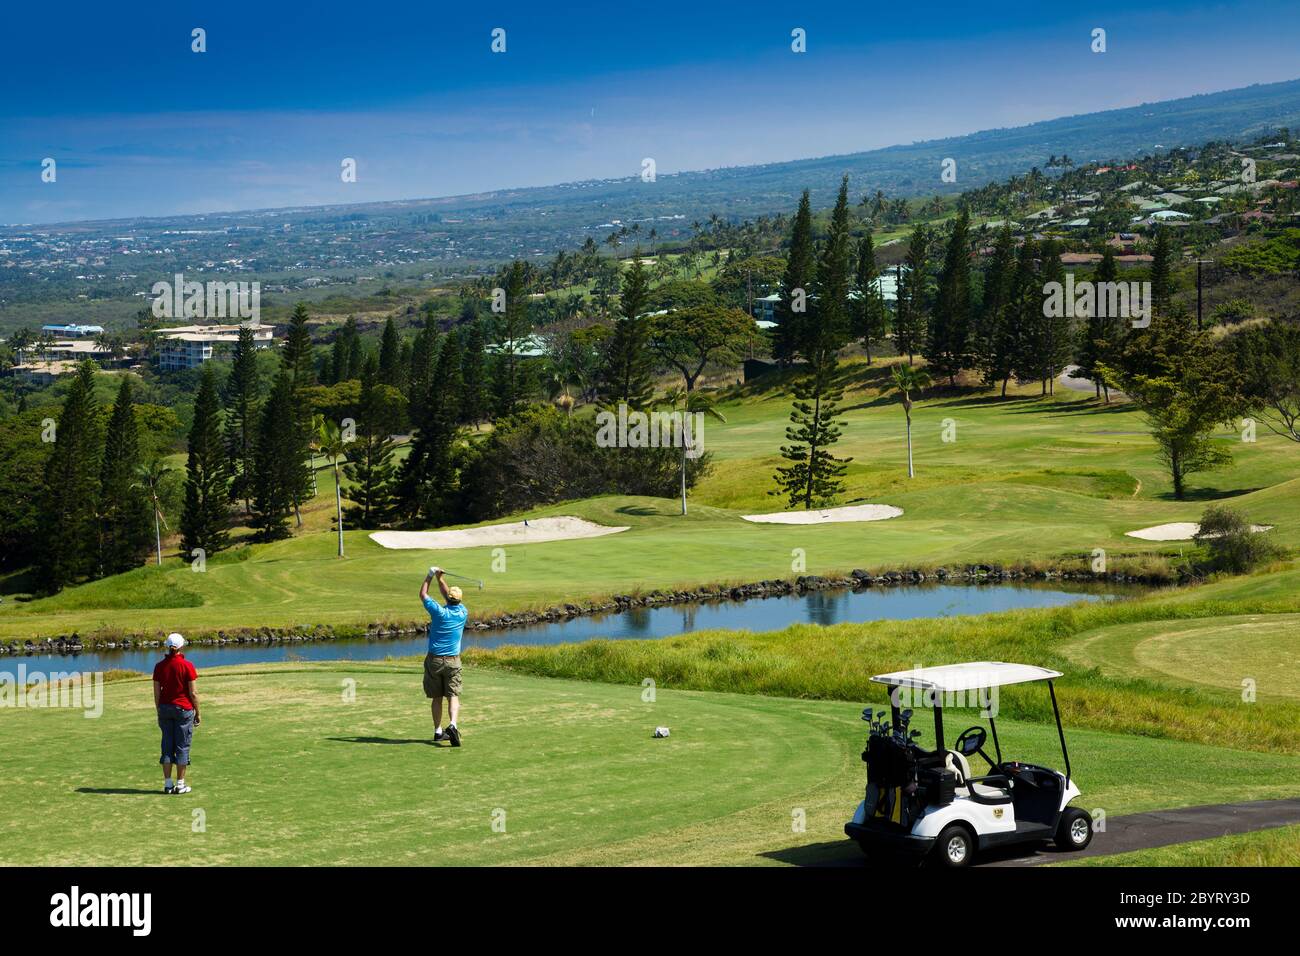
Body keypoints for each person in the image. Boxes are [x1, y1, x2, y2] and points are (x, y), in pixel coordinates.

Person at [421, 567, 469, 746]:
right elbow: (448, 596)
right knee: (453, 695)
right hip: (453, 660)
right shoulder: (463, 612)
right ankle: (453, 725)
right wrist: (441, 580)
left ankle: (438, 731)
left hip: (434, 660)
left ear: (448, 598)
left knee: (437, 697)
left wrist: (431, 575)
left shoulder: (439, 612)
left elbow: (423, 594)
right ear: (460, 600)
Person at [152, 633, 200, 793]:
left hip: (165, 709)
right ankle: (180, 785)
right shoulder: (187, 665)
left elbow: (157, 693)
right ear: (181, 646)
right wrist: (198, 712)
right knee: (182, 746)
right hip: (183, 710)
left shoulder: (159, 666)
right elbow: (193, 694)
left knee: (167, 746)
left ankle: (167, 785)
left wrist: (159, 709)